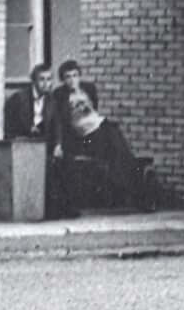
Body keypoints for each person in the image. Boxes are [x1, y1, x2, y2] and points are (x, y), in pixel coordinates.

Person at [49, 60, 157, 211]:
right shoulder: (59, 95)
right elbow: (59, 121)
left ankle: (138, 191)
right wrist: (59, 143)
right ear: (63, 79)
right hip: (81, 137)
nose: (72, 80)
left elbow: (94, 112)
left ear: (79, 76)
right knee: (116, 151)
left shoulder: (88, 89)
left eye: (75, 75)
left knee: (118, 150)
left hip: (99, 129)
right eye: (68, 77)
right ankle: (138, 191)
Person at [1, 62, 55, 145]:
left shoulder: (52, 100)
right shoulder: (18, 98)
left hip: (42, 146)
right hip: (20, 145)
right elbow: (8, 125)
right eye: (41, 79)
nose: (45, 84)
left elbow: (56, 126)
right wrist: (28, 129)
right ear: (34, 81)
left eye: (48, 79)